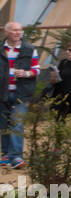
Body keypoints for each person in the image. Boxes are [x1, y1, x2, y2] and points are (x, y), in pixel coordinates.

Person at [2, 22, 39, 169]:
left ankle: (16, 156)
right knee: (3, 124)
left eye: (19, 30)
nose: (18, 33)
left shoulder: (29, 49)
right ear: (7, 32)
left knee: (17, 123)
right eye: (14, 30)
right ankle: (5, 154)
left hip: (21, 93)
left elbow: (37, 69)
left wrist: (26, 73)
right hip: (3, 93)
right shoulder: (1, 49)